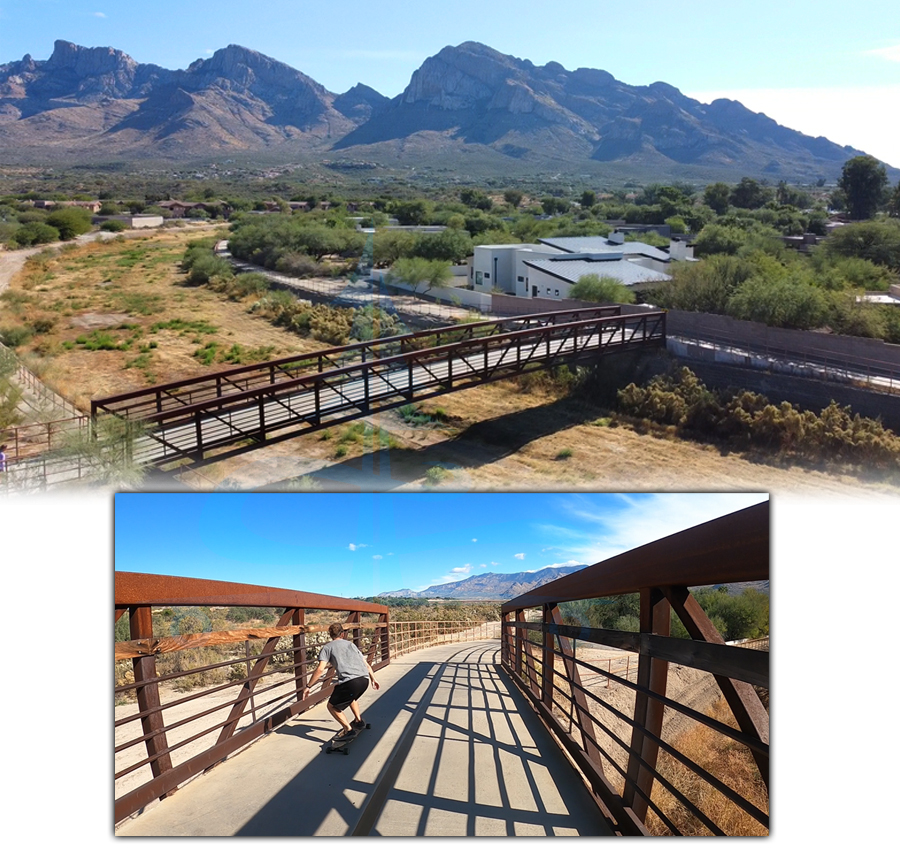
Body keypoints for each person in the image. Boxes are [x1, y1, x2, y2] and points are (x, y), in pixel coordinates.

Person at [302, 622, 380, 739]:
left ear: (330, 635)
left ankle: (348, 730)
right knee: (350, 697)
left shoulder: (327, 648)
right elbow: (366, 664)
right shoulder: (351, 645)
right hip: (364, 680)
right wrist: (374, 679)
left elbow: (320, 669)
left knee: (332, 706)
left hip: (351, 682)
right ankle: (358, 721)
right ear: (342, 634)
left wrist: (308, 686)